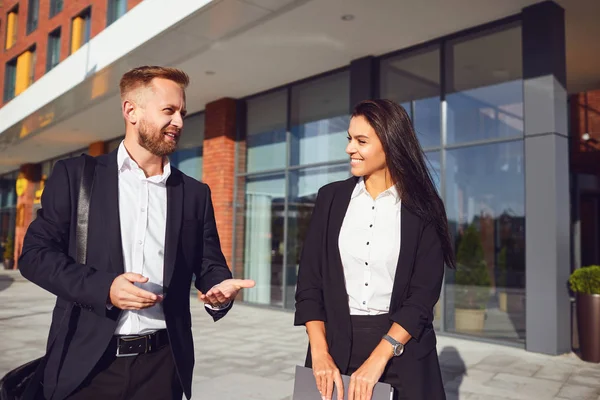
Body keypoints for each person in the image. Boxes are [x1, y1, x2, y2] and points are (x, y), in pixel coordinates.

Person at [19, 66, 255, 400]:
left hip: (162, 368)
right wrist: (105, 288)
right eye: (168, 111)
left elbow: (208, 263)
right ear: (131, 110)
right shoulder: (77, 176)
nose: (179, 122)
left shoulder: (194, 193)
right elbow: (35, 256)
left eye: (182, 113)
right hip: (87, 366)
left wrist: (218, 288)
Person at [294, 99, 455, 400]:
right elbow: (309, 285)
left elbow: (422, 298)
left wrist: (379, 358)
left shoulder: (426, 209)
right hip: (334, 349)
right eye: (349, 139)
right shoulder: (329, 199)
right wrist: (319, 352)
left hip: (402, 348)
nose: (349, 149)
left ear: (391, 143)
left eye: (361, 141)